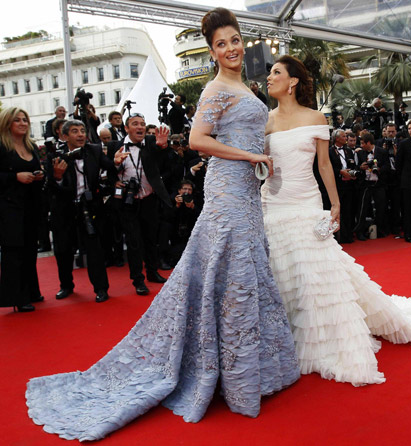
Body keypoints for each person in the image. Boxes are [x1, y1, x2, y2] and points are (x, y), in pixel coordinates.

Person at [26, 8, 299, 441]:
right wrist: (248, 156)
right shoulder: (215, 89)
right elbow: (196, 140)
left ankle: (247, 368)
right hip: (229, 193)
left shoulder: (243, 87)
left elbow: (244, 134)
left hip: (247, 193)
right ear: (211, 53)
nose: (231, 48)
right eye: (221, 44)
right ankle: (235, 377)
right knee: (232, 276)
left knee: (238, 273)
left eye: (235, 40)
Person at [261, 55, 411, 386]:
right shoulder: (265, 120)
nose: (269, 77)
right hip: (272, 201)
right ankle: (284, 336)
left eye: (276, 72)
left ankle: (320, 337)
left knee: (312, 272)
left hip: (305, 202)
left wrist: (336, 203)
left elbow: (325, 166)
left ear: (293, 81)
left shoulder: (315, 117)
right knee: (281, 268)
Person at [46, 120, 115, 303]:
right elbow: (49, 187)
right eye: (75, 131)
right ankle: (66, 286)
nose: (80, 134)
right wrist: (58, 177)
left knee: (94, 250)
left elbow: (111, 168)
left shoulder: (95, 150)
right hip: (65, 209)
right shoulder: (55, 155)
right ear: (65, 135)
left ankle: (101, 288)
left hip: (90, 208)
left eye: (83, 130)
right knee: (63, 250)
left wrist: (115, 164)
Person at [108, 113, 171, 295]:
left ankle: (152, 272)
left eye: (143, 124)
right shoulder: (115, 146)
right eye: (135, 124)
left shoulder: (151, 143)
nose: (140, 127)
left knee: (151, 239)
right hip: (128, 202)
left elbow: (163, 158)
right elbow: (107, 169)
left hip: (149, 199)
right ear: (126, 129)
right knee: (134, 242)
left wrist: (163, 146)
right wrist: (114, 172)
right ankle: (138, 280)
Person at [0, 107, 45, 312]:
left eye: (25, 120)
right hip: (8, 207)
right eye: (17, 120)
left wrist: (38, 175)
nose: (22, 123)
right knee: (14, 251)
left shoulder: (31, 146)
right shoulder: (1, 147)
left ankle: (31, 291)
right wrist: (15, 177)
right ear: (7, 123)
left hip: (31, 205)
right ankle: (17, 297)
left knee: (30, 250)